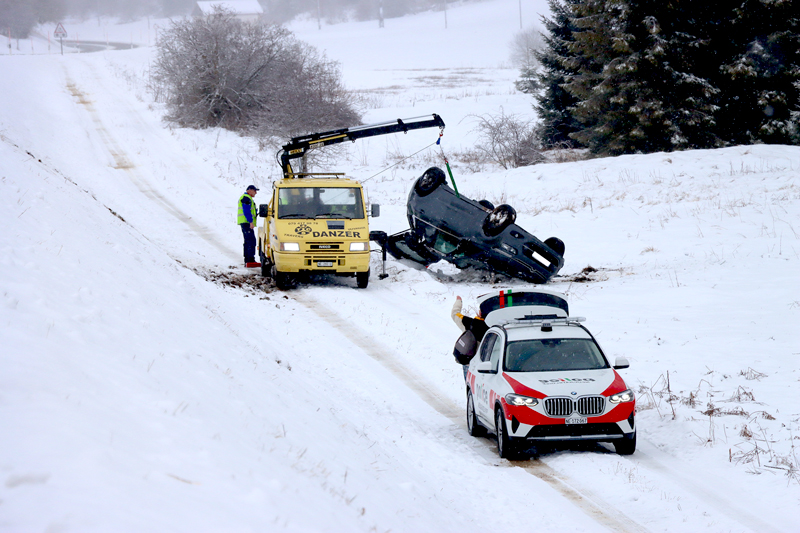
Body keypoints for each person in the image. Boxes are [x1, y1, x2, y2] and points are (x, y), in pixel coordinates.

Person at [451, 295, 489, 380]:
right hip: (488, 369)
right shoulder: (498, 328)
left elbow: (454, 314)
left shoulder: (470, 323)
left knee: (470, 391)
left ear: (480, 312)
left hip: (470, 365)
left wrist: (458, 301)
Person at [238, 185, 260, 267]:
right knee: (251, 240)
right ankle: (250, 260)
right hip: (246, 222)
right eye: (255, 191)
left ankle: (248, 260)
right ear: (250, 190)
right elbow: (246, 211)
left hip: (245, 222)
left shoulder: (246, 198)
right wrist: (250, 221)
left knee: (248, 240)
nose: (256, 193)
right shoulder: (246, 198)